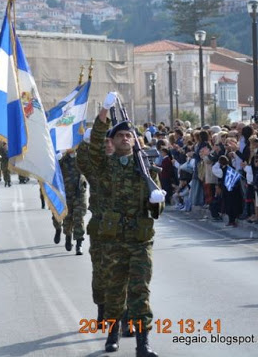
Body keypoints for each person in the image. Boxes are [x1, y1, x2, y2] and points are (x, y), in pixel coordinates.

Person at [90, 92, 164, 357]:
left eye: (128, 136)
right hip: (113, 240)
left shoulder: (146, 169)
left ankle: (143, 344)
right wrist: (103, 113)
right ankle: (112, 334)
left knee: (140, 291)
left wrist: (157, 199)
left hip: (140, 240)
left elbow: (158, 207)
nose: (125, 138)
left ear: (134, 141)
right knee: (114, 290)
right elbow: (93, 147)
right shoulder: (105, 167)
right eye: (120, 136)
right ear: (113, 140)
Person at [76, 128, 109, 328]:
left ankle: (126, 317)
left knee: (127, 276)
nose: (108, 146)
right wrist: (85, 143)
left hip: (127, 232)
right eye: (104, 143)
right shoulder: (97, 168)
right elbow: (82, 162)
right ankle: (102, 310)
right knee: (100, 272)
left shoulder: (132, 164)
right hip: (101, 228)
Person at [52, 148, 87, 254]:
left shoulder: (81, 158)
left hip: (79, 193)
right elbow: (53, 170)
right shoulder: (62, 159)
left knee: (78, 218)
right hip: (65, 194)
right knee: (67, 217)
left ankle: (79, 244)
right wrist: (57, 159)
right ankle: (67, 235)